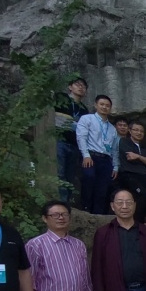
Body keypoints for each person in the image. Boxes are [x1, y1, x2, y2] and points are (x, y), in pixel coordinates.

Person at [76, 95, 119, 215]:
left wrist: (116, 166)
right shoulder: (87, 119)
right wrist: (86, 155)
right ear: (96, 105)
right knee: (89, 178)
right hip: (91, 155)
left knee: (103, 188)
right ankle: (85, 209)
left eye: (107, 106)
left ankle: (98, 214)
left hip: (106, 159)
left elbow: (114, 149)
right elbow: (81, 137)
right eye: (102, 104)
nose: (104, 107)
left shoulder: (112, 128)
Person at [54, 76, 88, 204]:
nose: (81, 87)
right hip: (60, 140)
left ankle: (66, 203)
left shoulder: (84, 109)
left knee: (70, 175)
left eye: (83, 86)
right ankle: (61, 202)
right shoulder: (61, 98)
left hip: (75, 144)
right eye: (77, 84)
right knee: (60, 172)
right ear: (70, 87)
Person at [117, 120, 146, 223]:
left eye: (141, 131)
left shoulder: (144, 147)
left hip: (143, 177)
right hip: (130, 176)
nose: (139, 133)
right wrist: (142, 159)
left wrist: (138, 156)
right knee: (134, 199)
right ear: (130, 131)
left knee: (144, 201)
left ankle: (138, 224)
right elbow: (129, 157)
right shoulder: (124, 141)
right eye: (136, 130)